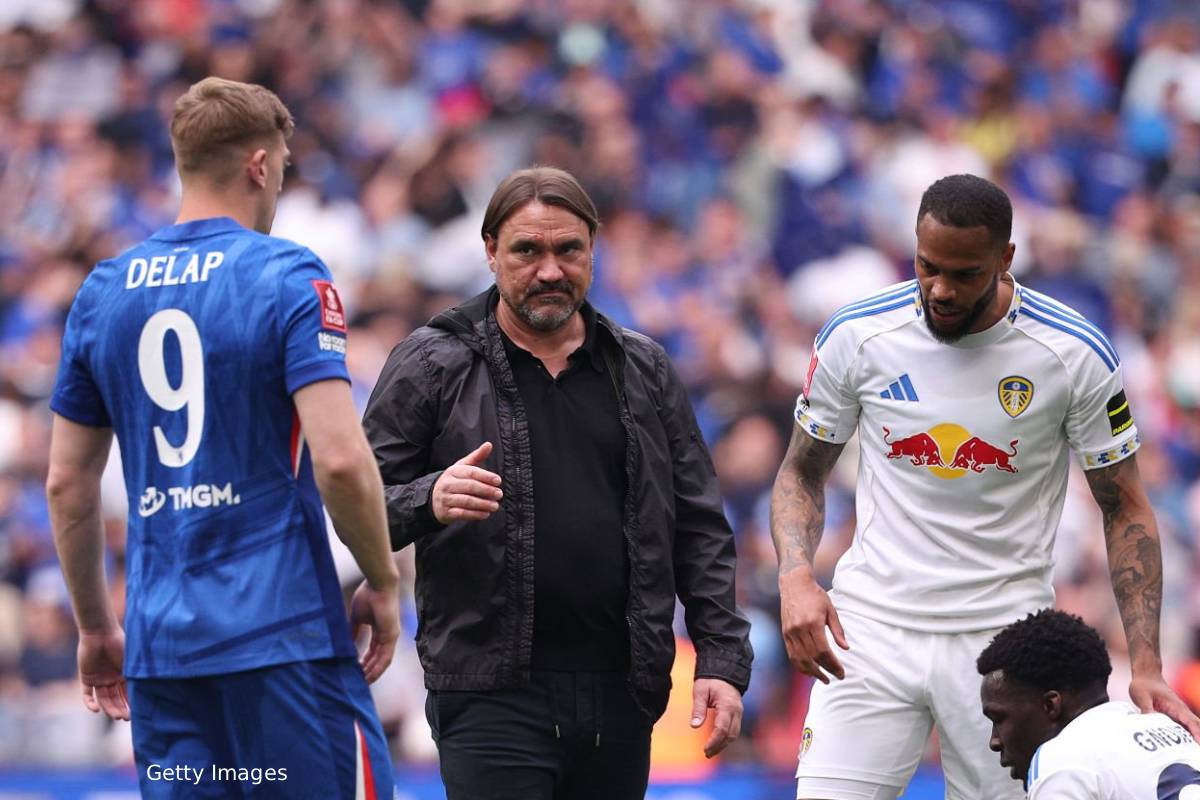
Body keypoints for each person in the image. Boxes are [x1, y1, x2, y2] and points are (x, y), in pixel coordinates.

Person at [769, 173, 1200, 800]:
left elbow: (1124, 506)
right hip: (869, 632)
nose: (939, 290)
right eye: (926, 266)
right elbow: (801, 471)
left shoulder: (1072, 353)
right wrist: (796, 578)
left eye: (964, 274)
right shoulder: (857, 335)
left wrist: (1148, 665)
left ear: (1005, 259)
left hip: (1005, 649)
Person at [46, 77, 399, 799]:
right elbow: (337, 457)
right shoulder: (286, 274)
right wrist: (384, 580)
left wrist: (95, 629)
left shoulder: (102, 291)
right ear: (261, 165)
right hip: (282, 639)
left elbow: (66, 483)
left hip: (162, 652)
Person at [362, 165, 753, 800]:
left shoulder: (643, 367)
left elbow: (699, 525)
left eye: (568, 249)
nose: (550, 269)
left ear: (593, 251)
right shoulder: (433, 361)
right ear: (490, 252)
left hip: (622, 692)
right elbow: (356, 504)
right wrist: (426, 499)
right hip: (489, 692)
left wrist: (721, 658)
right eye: (527, 250)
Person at [978, 608, 1200, 799]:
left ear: (1050, 706)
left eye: (999, 719)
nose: (994, 741)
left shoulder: (1061, 759)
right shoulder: (1165, 727)